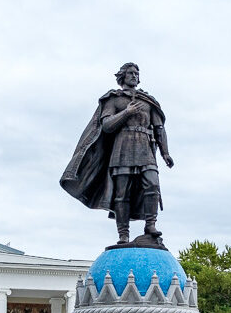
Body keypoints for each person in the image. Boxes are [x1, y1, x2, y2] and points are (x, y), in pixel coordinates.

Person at [61, 62, 174, 246]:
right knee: (122, 193)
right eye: (130, 73)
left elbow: (159, 128)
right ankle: (123, 234)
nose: (134, 76)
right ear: (123, 76)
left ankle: (150, 225)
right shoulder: (113, 99)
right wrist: (127, 112)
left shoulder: (148, 101)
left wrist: (165, 152)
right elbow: (106, 126)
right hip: (122, 148)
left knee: (152, 185)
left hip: (145, 148)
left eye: (137, 73)